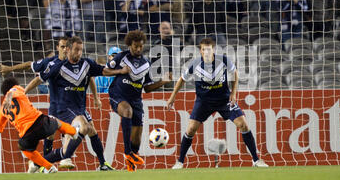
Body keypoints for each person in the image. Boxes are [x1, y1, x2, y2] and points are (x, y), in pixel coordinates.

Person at [166, 38, 269, 169]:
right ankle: (180, 162)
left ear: (213, 50)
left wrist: (234, 93)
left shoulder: (224, 60)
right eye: (204, 49)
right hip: (203, 101)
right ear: (200, 51)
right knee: (191, 129)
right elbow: (182, 80)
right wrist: (172, 97)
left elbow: (235, 74)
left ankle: (256, 160)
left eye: (209, 49)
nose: (207, 52)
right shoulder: (195, 64)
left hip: (224, 100)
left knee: (243, 124)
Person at [36, 36, 130, 171]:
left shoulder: (85, 64)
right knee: (54, 133)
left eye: (80, 50)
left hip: (79, 105)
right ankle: (50, 161)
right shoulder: (55, 64)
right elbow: (39, 77)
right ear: (65, 49)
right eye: (75, 49)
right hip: (61, 106)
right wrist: (25, 90)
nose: (78, 52)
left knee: (91, 130)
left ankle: (102, 163)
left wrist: (97, 96)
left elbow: (94, 75)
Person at [107, 30, 171, 171]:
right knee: (127, 111)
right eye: (135, 46)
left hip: (136, 100)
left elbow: (147, 88)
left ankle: (131, 165)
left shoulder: (146, 63)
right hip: (118, 96)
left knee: (137, 138)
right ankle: (127, 152)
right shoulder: (120, 58)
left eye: (140, 46)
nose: (138, 49)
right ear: (130, 44)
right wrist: (120, 71)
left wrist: (163, 81)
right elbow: (105, 71)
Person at [0, 76, 79, 173]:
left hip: (27, 134)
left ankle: (49, 167)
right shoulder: (16, 88)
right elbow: (11, 92)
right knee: (57, 123)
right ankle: (74, 132)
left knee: (23, 147)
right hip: (39, 122)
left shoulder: (2, 110)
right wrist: (8, 98)